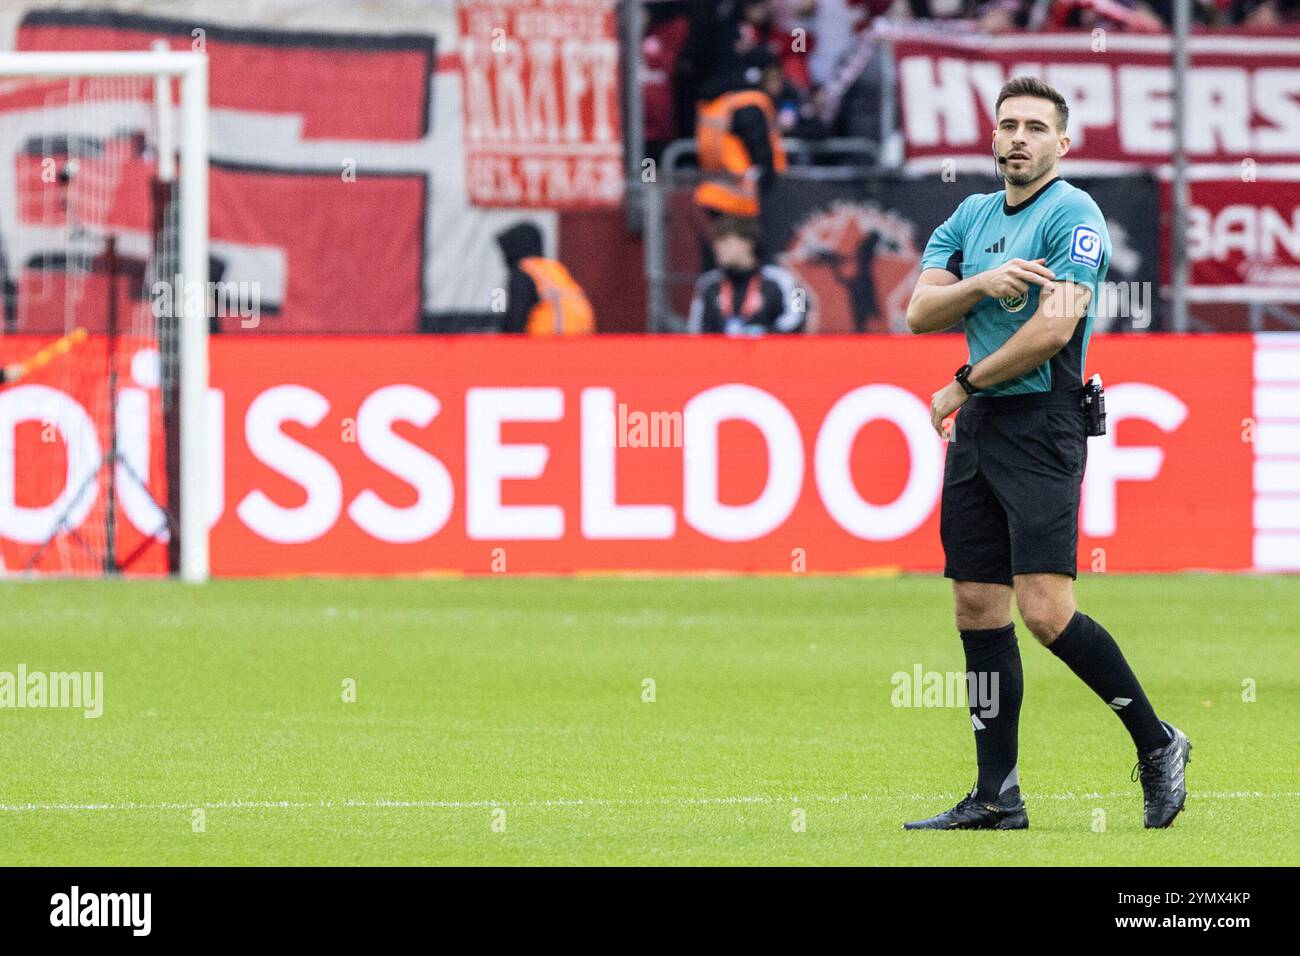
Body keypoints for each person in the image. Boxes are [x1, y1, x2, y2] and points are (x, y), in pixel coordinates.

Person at [901, 76, 1191, 831]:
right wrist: (984, 282)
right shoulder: (970, 215)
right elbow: (917, 311)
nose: (1019, 137)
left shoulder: (1075, 216)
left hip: (1043, 421)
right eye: (1008, 125)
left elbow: (1056, 328)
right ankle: (997, 795)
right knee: (975, 604)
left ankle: (1158, 743)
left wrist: (963, 382)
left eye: (1035, 126)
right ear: (993, 139)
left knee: (1045, 609)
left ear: (1062, 144)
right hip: (983, 431)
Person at [687, 215, 806, 335]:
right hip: (721, 352)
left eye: (725, 242)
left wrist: (764, 335)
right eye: (716, 243)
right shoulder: (707, 283)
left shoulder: (784, 278)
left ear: (747, 243)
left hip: (769, 351)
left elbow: (798, 315)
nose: (718, 249)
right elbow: (695, 329)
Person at [494, 222, 594, 336]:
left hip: (545, 340)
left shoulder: (523, 272)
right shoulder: (555, 269)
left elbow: (515, 318)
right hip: (580, 338)